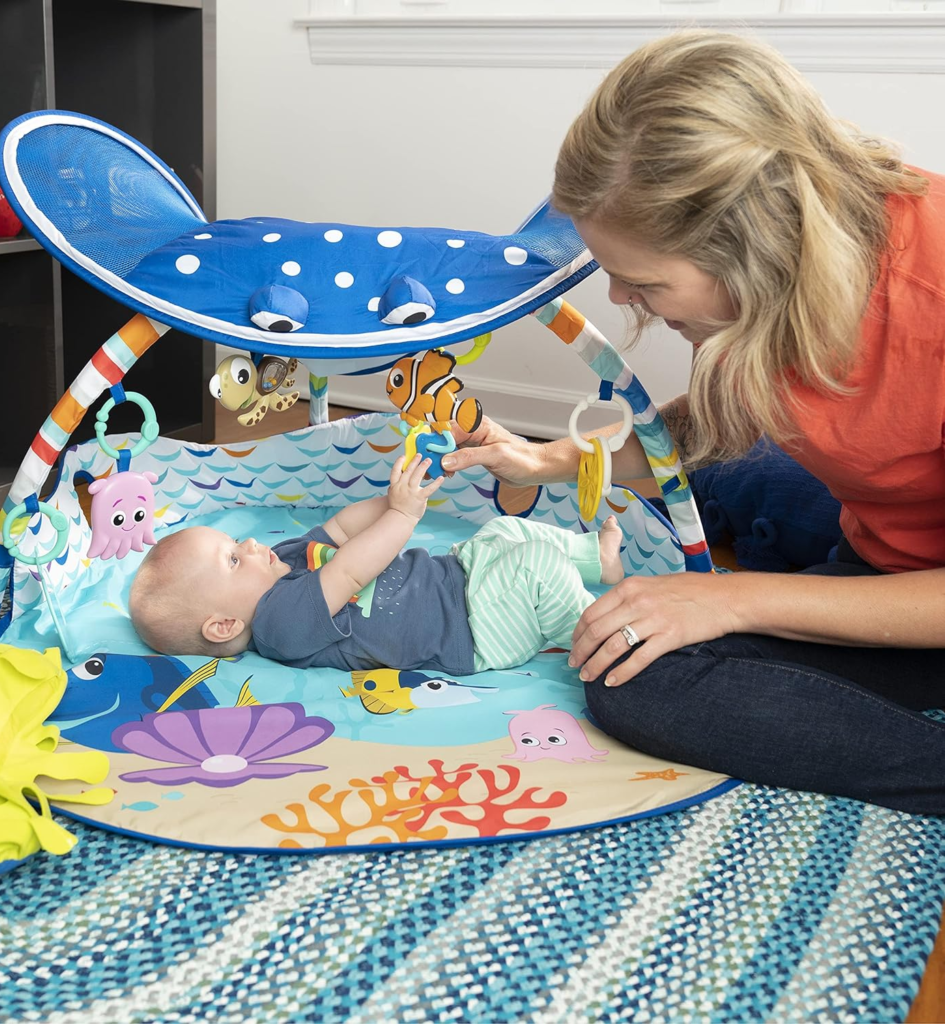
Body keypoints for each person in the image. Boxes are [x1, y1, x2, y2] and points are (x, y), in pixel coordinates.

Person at [439, 30, 945, 815]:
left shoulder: (930, 304)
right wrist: (552, 461)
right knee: (730, 479)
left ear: (753, 249)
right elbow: (717, 426)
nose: (620, 300)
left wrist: (738, 600)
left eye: (642, 281)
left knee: (642, 678)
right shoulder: (797, 271)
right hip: (891, 520)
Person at [129, 454, 626, 674]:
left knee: (503, 532)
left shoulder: (280, 562)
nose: (253, 544)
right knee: (534, 566)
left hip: (458, 576)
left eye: (238, 540)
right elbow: (348, 569)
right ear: (224, 624)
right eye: (234, 558)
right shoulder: (279, 625)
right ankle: (605, 637)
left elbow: (343, 531)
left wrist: (395, 496)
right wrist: (405, 515)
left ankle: (593, 558)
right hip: (474, 630)